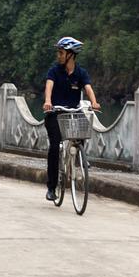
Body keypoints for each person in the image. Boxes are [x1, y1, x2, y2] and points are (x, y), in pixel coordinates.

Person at [42, 36, 100, 201]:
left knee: (83, 126)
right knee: (54, 147)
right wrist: (48, 101)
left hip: (73, 112)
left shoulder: (81, 73)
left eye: (61, 53)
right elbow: (49, 85)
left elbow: (88, 87)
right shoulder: (54, 70)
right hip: (55, 112)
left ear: (70, 55)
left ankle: (79, 157)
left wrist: (94, 102)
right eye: (59, 53)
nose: (58, 56)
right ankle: (52, 188)